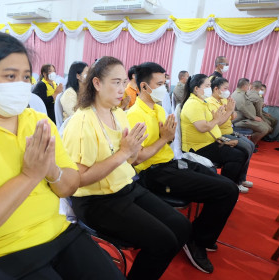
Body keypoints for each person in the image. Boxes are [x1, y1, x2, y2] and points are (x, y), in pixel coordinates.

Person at [0, 33, 124, 280]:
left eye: (26, 76)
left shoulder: (37, 121)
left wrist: (51, 171)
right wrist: (29, 175)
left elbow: (70, 185)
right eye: (10, 76)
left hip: (56, 234)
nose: (21, 84)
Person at [63, 56, 191, 280]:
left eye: (124, 82)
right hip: (97, 200)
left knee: (181, 226)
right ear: (96, 84)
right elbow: (78, 180)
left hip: (126, 187)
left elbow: (130, 162)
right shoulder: (82, 122)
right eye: (116, 82)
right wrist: (124, 152)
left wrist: (132, 151)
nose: (123, 88)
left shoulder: (119, 113)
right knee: (164, 241)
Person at [126, 62, 239, 274]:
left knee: (226, 184)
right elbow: (137, 159)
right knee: (226, 191)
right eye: (159, 83)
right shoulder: (134, 115)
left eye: (165, 82)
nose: (165, 86)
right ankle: (197, 240)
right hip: (154, 173)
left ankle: (197, 234)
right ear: (143, 87)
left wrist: (166, 140)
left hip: (171, 163)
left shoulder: (158, 108)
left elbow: (167, 142)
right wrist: (164, 139)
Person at [180, 74, 247, 190]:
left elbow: (217, 122)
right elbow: (203, 128)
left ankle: (228, 184)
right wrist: (217, 119)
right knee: (238, 156)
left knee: (242, 151)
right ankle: (226, 187)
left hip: (209, 142)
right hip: (198, 147)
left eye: (209, 85)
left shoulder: (201, 102)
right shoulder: (193, 104)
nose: (209, 89)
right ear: (197, 88)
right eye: (207, 86)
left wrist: (228, 111)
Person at [206, 77, 255, 189]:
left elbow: (230, 118)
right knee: (245, 149)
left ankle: (242, 179)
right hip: (221, 133)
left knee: (251, 145)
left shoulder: (223, 100)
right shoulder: (210, 102)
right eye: (225, 88)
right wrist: (229, 111)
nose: (228, 91)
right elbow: (218, 123)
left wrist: (232, 112)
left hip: (230, 131)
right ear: (216, 89)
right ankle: (236, 182)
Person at [231, 78, 272, 144]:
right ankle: (251, 144)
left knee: (267, 127)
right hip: (241, 120)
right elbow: (242, 109)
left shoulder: (243, 93)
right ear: (245, 86)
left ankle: (249, 143)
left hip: (247, 118)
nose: (249, 87)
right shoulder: (238, 95)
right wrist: (254, 117)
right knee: (264, 129)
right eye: (248, 85)